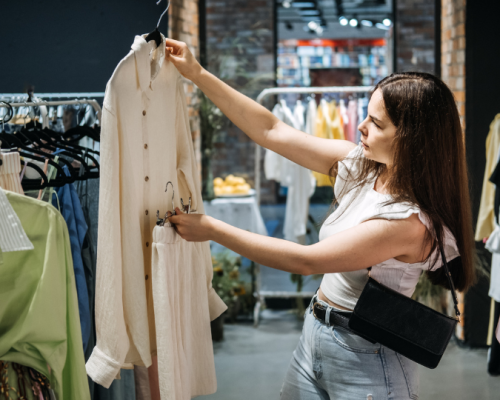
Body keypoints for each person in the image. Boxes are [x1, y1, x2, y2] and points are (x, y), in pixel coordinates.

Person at [164, 38, 476, 399]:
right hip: (316, 333)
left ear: (411, 140)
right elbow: (271, 131)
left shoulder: (409, 223)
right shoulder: (363, 167)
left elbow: (305, 261)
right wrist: (196, 73)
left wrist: (211, 228)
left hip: (368, 359)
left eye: (376, 123)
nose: (360, 127)